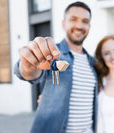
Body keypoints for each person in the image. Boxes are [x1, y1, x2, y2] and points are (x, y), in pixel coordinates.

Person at [15, 2, 98, 132]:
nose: (79, 25)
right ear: (64, 24)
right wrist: (28, 67)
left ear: (89, 26)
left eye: (85, 21)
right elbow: (30, 73)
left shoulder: (92, 63)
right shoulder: (52, 54)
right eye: (73, 19)